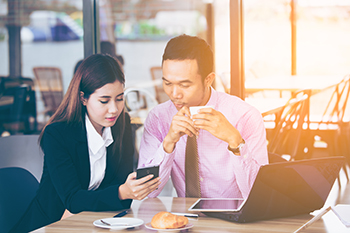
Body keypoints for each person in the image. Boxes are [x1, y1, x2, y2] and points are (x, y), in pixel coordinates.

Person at [10, 54, 160, 233]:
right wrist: (120, 192)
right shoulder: (57, 134)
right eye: (104, 101)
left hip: (94, 223)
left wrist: (125, 191)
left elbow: (123, 195)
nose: (114, 109)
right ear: (83, 98)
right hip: (49, 226)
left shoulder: (122, 124)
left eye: (119, 99)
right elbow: (73, 199)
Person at [138, 34, 268, 199]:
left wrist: (235, 141)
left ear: (208, 80)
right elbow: (147, 193)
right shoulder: (158, 118)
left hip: (237, 219)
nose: (174, 94)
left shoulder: (245, 116)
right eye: (167, 83)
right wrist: (168, 143)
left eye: (184, 85)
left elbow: (260, 195)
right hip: (184, 218)